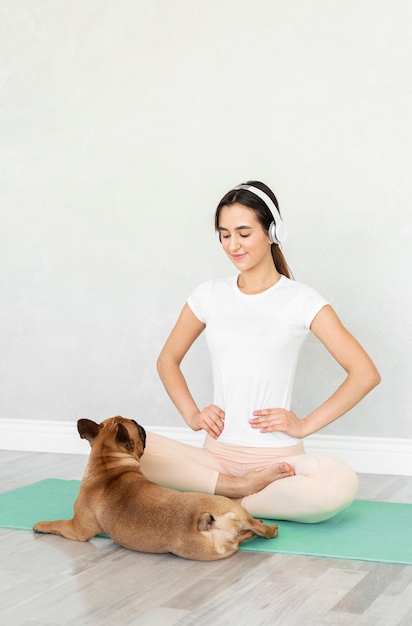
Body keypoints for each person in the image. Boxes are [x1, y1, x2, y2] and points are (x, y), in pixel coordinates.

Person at [140, 180, 381, 523]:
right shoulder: (209, 295)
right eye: (225, 235)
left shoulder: (302, 300)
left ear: (272, 232)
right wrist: (192, 415)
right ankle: (233, 490)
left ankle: (228, 499)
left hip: (278, 462)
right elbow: (167, 360)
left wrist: (304, 425)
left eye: (243, 232)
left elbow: (365, 373)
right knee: (118, 443)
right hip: (216, 458)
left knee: (338, 485)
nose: (233, 245)